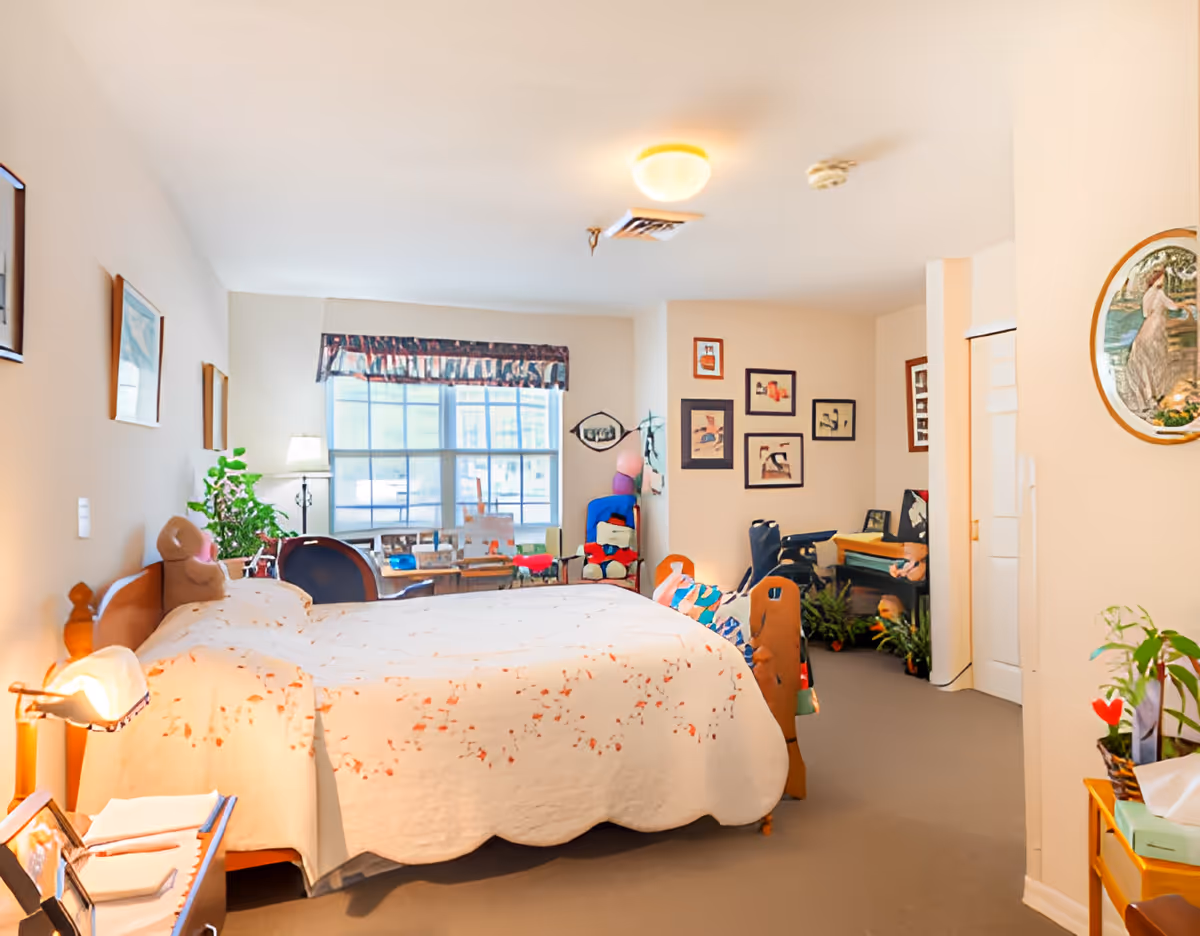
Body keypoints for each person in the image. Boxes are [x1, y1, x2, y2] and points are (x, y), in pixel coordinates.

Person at [1123, 267, 1192, 416]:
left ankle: (1148, 397)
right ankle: (1153, 397)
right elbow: (1172, 306)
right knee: (1155, 360)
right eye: (1162, 278)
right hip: (1156, 328)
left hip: (1146, 326)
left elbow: (1145, 312)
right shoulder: (1159, 293)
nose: (1164, 280)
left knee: (1146, 361)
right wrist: (1186, 305)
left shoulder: (1148, 294)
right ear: (1157, 279)